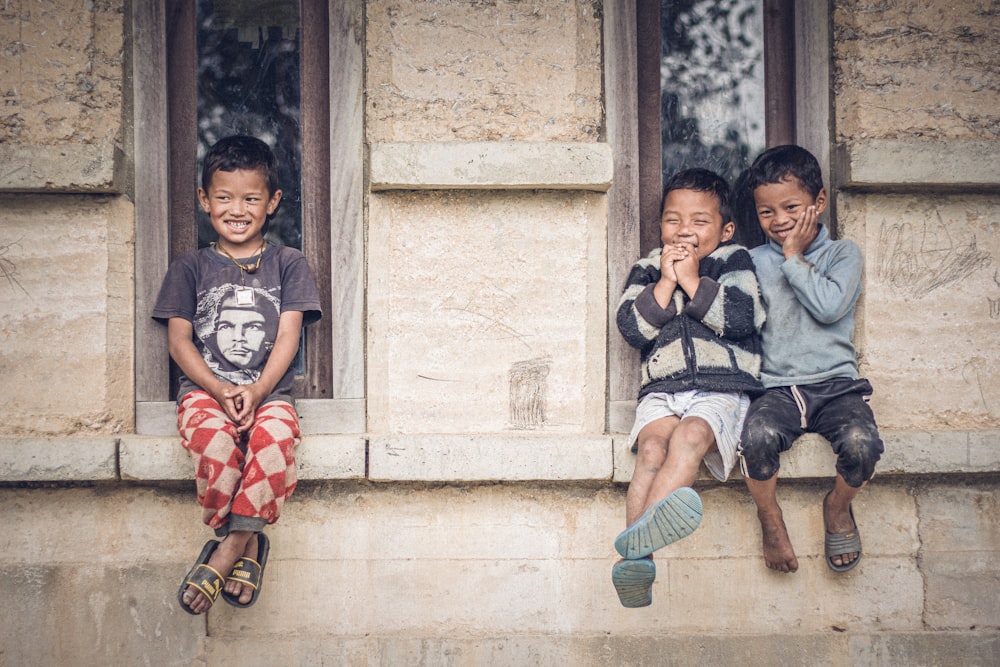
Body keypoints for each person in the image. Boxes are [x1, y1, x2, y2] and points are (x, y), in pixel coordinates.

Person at [153, 135, 322, 614]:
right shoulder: (189, 268)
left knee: (273, 444)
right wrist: (222, 388)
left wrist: (258, 389)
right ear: (205, 199)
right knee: (218, 446)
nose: (237, 209)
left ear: (272, 202)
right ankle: (250, 546)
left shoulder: (288, 264)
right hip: (205, 393)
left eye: (251, 198)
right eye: (224, 197)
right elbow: (179, 342)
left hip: (271, 395)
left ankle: (226, 549)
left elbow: (289, 337)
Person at [612, 168, 765, 607]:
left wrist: (693, 280)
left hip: (720, 384)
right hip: (663, 387)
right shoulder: (647, 267)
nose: (684, 230)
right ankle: (639, 561)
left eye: (699, 221)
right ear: (660, 225)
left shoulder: (735, 261)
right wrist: (665, 281)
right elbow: (632, 328)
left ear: (726, 229)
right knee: (653, 450)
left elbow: (742, 318)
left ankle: (633, 554)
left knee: (691, 436)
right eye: (673, 220)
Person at [738, 145, 884, 574]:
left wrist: (792, 258)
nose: (779, 221)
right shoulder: (752, 261)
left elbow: (828, 307)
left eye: (791, 207)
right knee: (757, 439)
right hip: (778, 388)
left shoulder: (843, 254)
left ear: (819, 202)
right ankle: (770, 516)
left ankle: (838, 506)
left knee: (862, 445)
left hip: (837, 386)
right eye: (766, 213)